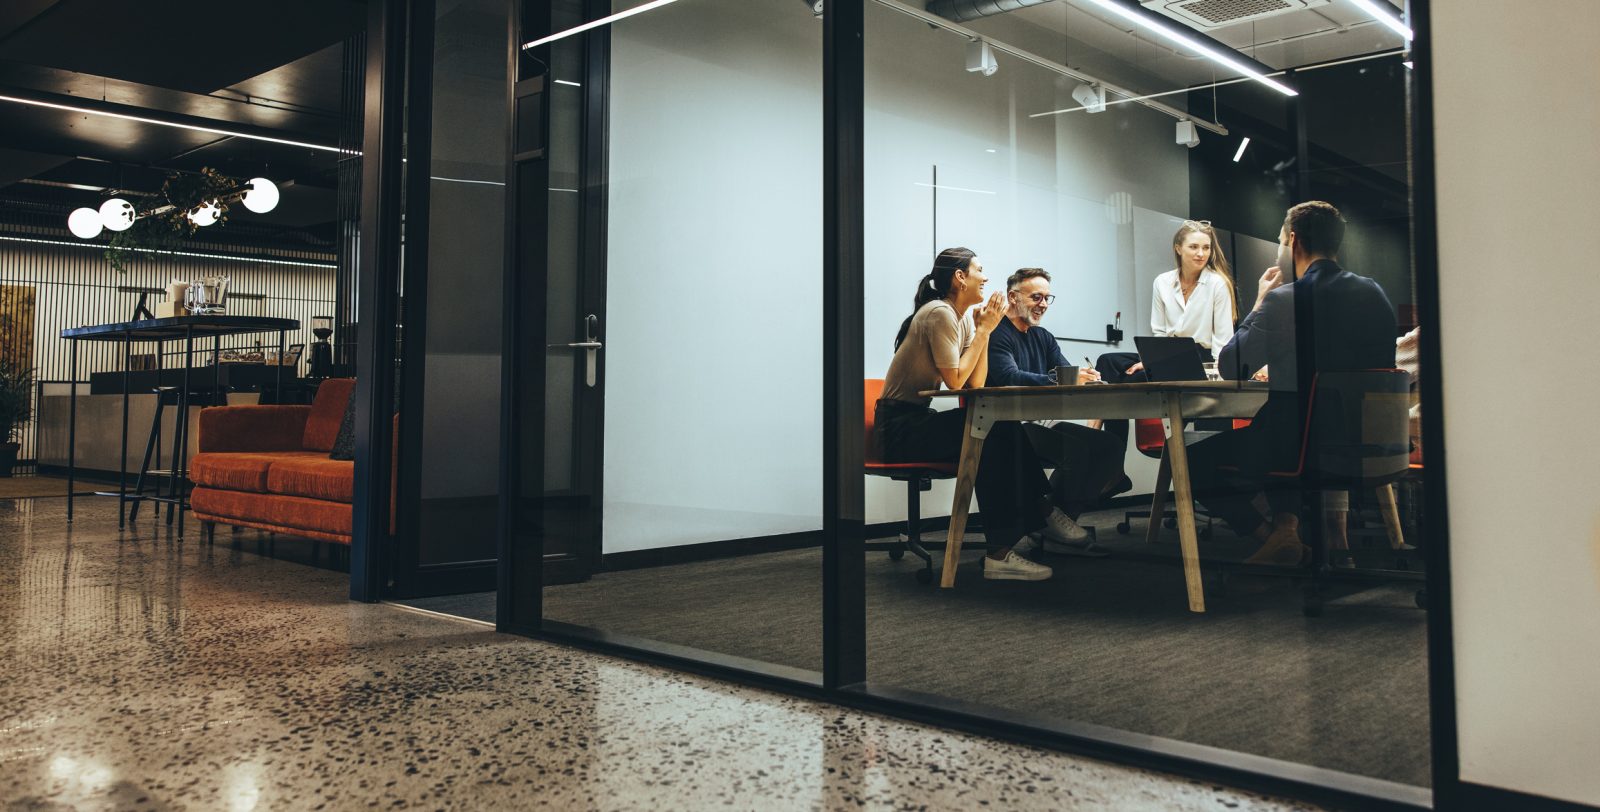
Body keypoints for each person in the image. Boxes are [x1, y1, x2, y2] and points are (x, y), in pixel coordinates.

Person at [1187, 201, 1397, 565]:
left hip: (1302, 445)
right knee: (1279, 424)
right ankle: (1287, 533)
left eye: (1280, 240)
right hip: (1367, 440)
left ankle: (1274, 538)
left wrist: (1259, 302)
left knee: (1192, 461)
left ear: (1293, 241)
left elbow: (1232, 366)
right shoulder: (1375, 293)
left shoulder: (1286, 300)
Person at [877, 248, 1089, 581]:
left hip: (916, 421)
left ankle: (1023, 529)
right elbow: (956, 382)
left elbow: (974, 383)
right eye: (979, 269)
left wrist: (982, 333)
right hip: (899, 429)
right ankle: (1027, 528)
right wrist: (986, 332)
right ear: (960, 277)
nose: (986, 277)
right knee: (991, 430)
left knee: (995, 428)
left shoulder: (960, 318)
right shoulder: (939, 313)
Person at [984, 267, 1127, 553]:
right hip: (1006, 428)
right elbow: (1010, 377)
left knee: (1108, 444)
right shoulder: (997, 333)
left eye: (1048, 298)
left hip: (1038, 424)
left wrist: (1087, 379)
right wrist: (1067, 377)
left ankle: (1058, 520)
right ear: (1013, 297)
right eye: (1036, 297)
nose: (1043, 305)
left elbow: (1064, 373)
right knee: (1076, 452)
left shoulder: (1043, 337)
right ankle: (1050, 520)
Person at [1096, 220, 1239, 384]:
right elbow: (1159, 332)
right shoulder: (1162, 282)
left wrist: (1217, 376)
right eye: (1194, 247)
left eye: (1206, 247)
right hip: (1169, 355)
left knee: (1140, 378)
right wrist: (1151, 361)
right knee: (1107, 361)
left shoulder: (1218, 284)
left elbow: (1223, 338)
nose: (1201, 253)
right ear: (1178, 248)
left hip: (1202, 358)